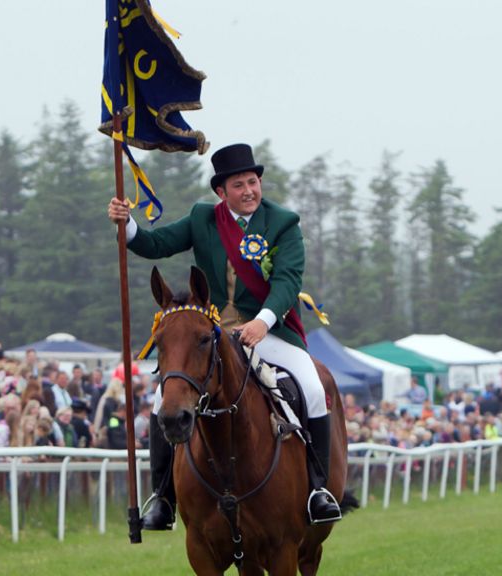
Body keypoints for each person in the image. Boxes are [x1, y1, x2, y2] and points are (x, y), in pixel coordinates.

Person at [107, 143, 342, 526]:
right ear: (222, 191)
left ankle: (318, 489)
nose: (249, 190)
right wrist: (126, 223)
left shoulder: (283, 223)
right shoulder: (204, 219)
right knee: (159, 402)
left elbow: (286, 282)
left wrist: (262, 321)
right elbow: (157, 244)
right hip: (215, 334)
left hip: (270, 329)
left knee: (314, 390)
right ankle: (163, 498)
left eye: (253, 181)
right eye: (239, 184)